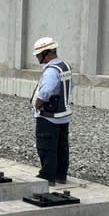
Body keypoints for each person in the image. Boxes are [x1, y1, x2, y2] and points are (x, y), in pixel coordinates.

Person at [31, 37, 73, 186]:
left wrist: (37, 104)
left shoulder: (51, 70)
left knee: (46, 146)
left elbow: (46, 90)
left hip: (48, 116)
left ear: (46, 53)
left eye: (38, 54)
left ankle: (47, 176)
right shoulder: (64, 66)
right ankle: (60, 175)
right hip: (63, 115)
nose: (37, 57)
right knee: (61, 146)